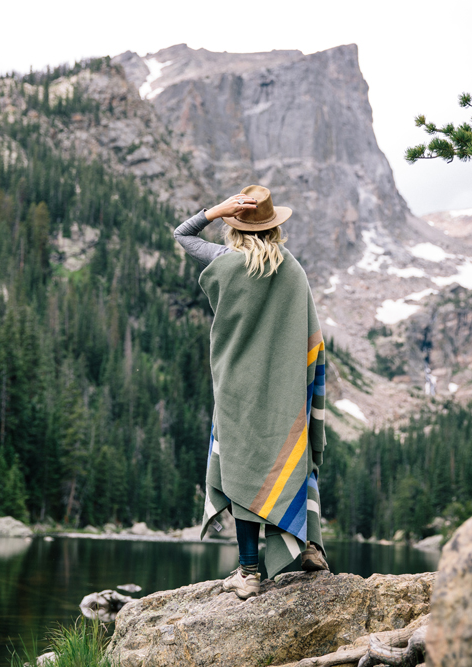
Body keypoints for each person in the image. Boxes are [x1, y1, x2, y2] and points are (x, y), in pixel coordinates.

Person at [174, 185, 329, 601]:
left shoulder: (226, 262)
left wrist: (215, 211)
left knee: (241, 472)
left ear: (236, 227)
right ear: (274, 227)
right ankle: (308, 545)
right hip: (285, 389)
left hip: (237, 391)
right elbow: (312, 335)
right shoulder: (292, 270)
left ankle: (249, 573)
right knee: (291, 461)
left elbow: (182, 235)